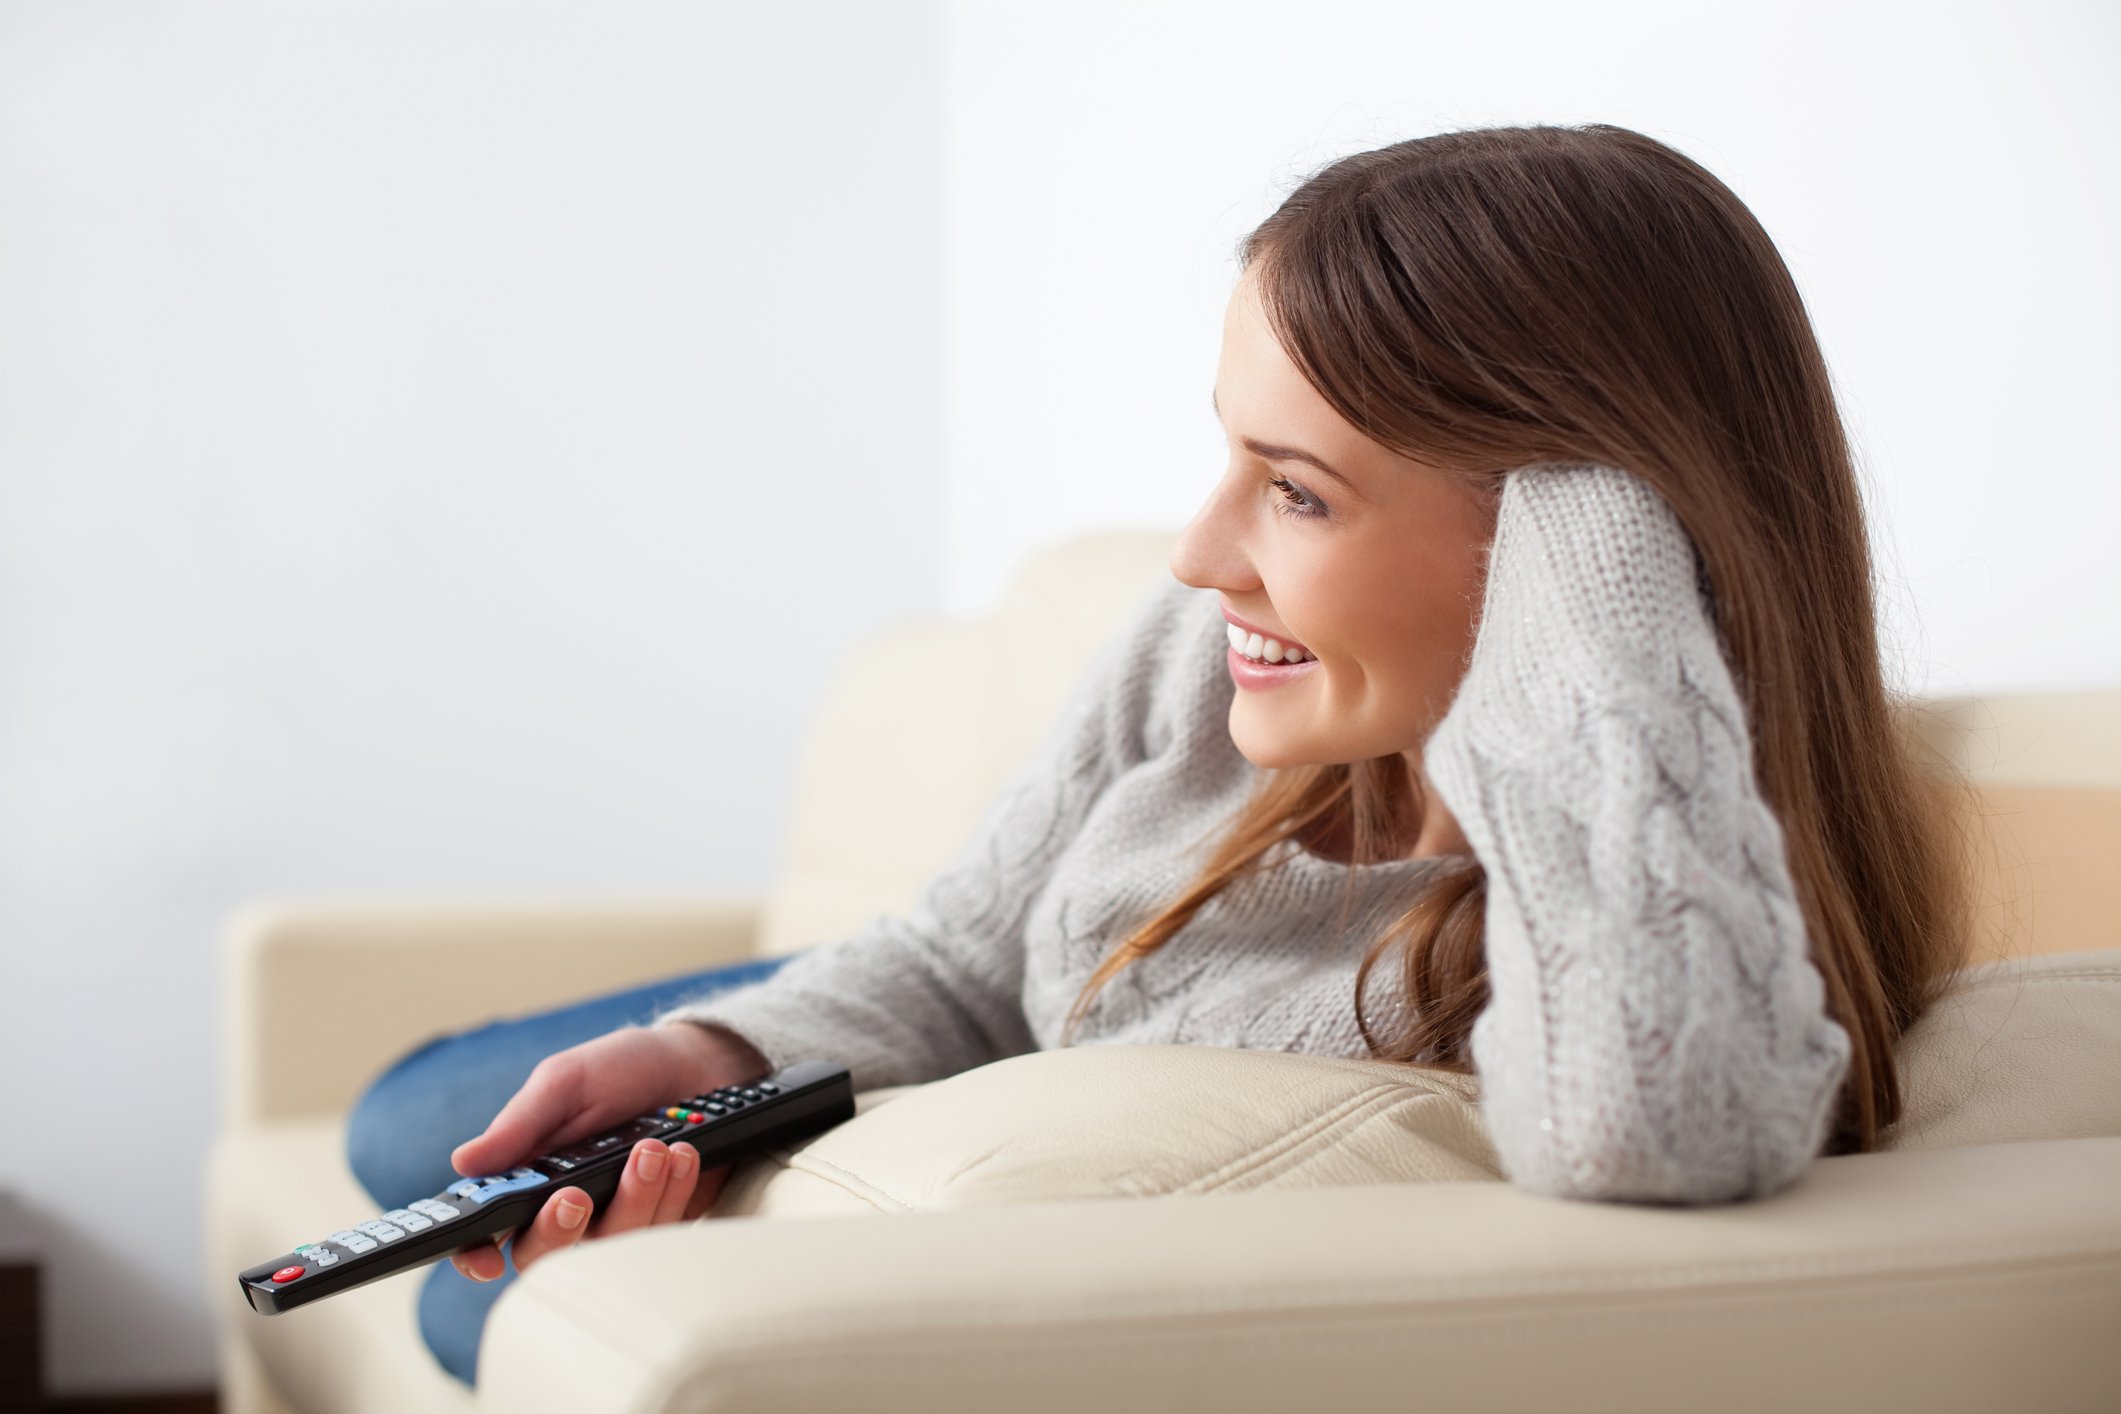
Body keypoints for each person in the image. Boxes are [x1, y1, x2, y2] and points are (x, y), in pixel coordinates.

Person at [347, 121, 1976, 1387]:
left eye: (1300, 490)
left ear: (1584, 549)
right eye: (1231, 451)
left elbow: (1655, 1125)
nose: (1199, 555)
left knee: (456, 1303)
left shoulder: (1623, 918)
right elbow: (962, 957)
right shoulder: (1218, 659)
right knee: (410, 1130)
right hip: (892, 1026)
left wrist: (1614, 574)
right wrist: (717, 1053)